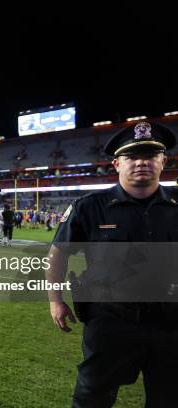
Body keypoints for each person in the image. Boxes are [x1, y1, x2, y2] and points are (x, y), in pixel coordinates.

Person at [47, 121, 178, 407]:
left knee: (168, 398)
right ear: (117, 164)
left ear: (163, 161)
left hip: (170, 323)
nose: (141, 162)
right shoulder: (90, 206)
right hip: (110, 322)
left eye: (150, 155)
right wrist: (55, 300)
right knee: (92, 398)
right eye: (132, 156)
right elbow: (59, 253)